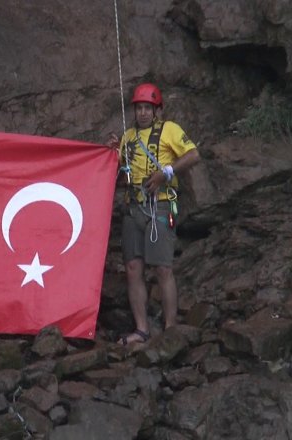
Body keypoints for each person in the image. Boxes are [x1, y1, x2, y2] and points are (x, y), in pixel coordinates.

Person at [107, 83, 201, 345]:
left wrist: (165, 173)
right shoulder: (128, 137)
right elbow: (119, 170)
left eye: (148, 108)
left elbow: (194, 155)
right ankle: (142, 329)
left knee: (162, 268)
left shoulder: (170, 130)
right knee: (133, 267)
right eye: (139, 108)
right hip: (133, 207)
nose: (143, 113)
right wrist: (112, 152)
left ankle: (170, 329)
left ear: (157, 110)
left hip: (160, 206)